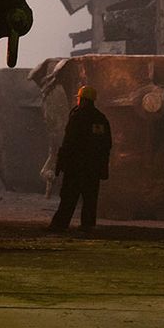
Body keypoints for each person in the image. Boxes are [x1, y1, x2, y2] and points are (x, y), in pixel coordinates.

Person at [48, 85, 111, 232]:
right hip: (92, 168)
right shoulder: (100, 119)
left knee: (69, 197)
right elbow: (106, 145)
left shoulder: (77, 117)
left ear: (81, 99)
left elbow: (68, 142)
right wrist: (102, 167)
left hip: (75, 167)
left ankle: (60, 225)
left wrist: (61, 163)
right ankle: (87, 226)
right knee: (90, 199)